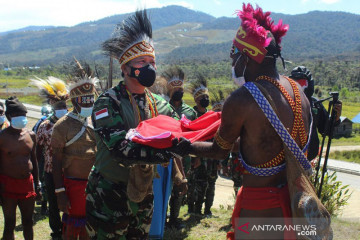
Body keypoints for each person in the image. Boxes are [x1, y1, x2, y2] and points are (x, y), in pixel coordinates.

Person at [172, 4, 310, 239]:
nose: (231, 59)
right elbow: (263, 143)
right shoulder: (298, 91)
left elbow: (218, 151)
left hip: (260, 206)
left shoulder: (243, 99)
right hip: (296, 199)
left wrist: (185, 146)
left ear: (249, 57)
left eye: (234, 53)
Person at [85, 10, 178, 239]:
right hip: (108, 193)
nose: (150, 67)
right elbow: (120, 150)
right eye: (142, 62)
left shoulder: (159, 105)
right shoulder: (108, 102)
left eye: (152, 62)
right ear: (125, 68)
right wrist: (167, 153)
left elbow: (179, 133)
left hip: (144, 192)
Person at [51, 63, 98, 240]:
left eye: (91, 99)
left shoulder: (95, 121)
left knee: (90, 229)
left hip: (94, 186)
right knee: (71, 231)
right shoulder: (62, 126)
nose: (88, 103)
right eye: (84, 100)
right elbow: (56, 161)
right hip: (72, 186)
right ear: (74, 101)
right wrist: (60, 192)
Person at [32, 76, 69, 239]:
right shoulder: (44, 126)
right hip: (50, 172)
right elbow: (38, 151)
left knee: (71, 201)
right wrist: (38, 174)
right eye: (59, 106)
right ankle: (57, 231)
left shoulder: (72, 124)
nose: (63, 108)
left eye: (64, 105)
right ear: (53, 106)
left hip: (69, 171)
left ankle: (70, 228)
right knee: (54, 204)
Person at [0, 96, 41, 240]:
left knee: (28, 222)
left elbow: (34, 161)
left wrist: (37, 183)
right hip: (8, 185)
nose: (22, 118)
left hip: (27, 185)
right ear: (10, 116)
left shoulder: (31, 135)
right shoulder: (2, 137)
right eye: (18, 115)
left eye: (24, 115)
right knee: (9, 223)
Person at [163, 66, 196, 228]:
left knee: (179, 189)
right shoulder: (162, 107)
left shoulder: (190, 112)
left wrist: (197, 157)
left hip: (184, 156)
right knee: (163, 188)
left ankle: (174, 218)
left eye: (180, 89)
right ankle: (161, 218)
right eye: (175, 89)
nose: (178, 92)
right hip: (165, 156)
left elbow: (196, 136)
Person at [289, 66, 342, 161]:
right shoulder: (286, 103)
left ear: (309, 84)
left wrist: (336, 118)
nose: (300, 87)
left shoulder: (315, 105)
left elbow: (327, 130)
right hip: (288, 159)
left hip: (308, 160)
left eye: (302, 82)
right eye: (295, 82)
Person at [187, 75, 211, 216]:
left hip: (209, 157)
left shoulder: (211, 115)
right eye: (202, 97)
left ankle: (201, 210)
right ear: (196, 99)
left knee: (205, 184)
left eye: (207, 97)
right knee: (192, 184)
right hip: (194, 156)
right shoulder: (191, 114)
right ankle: (191, 209)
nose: (205, 100)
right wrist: (196, 157)